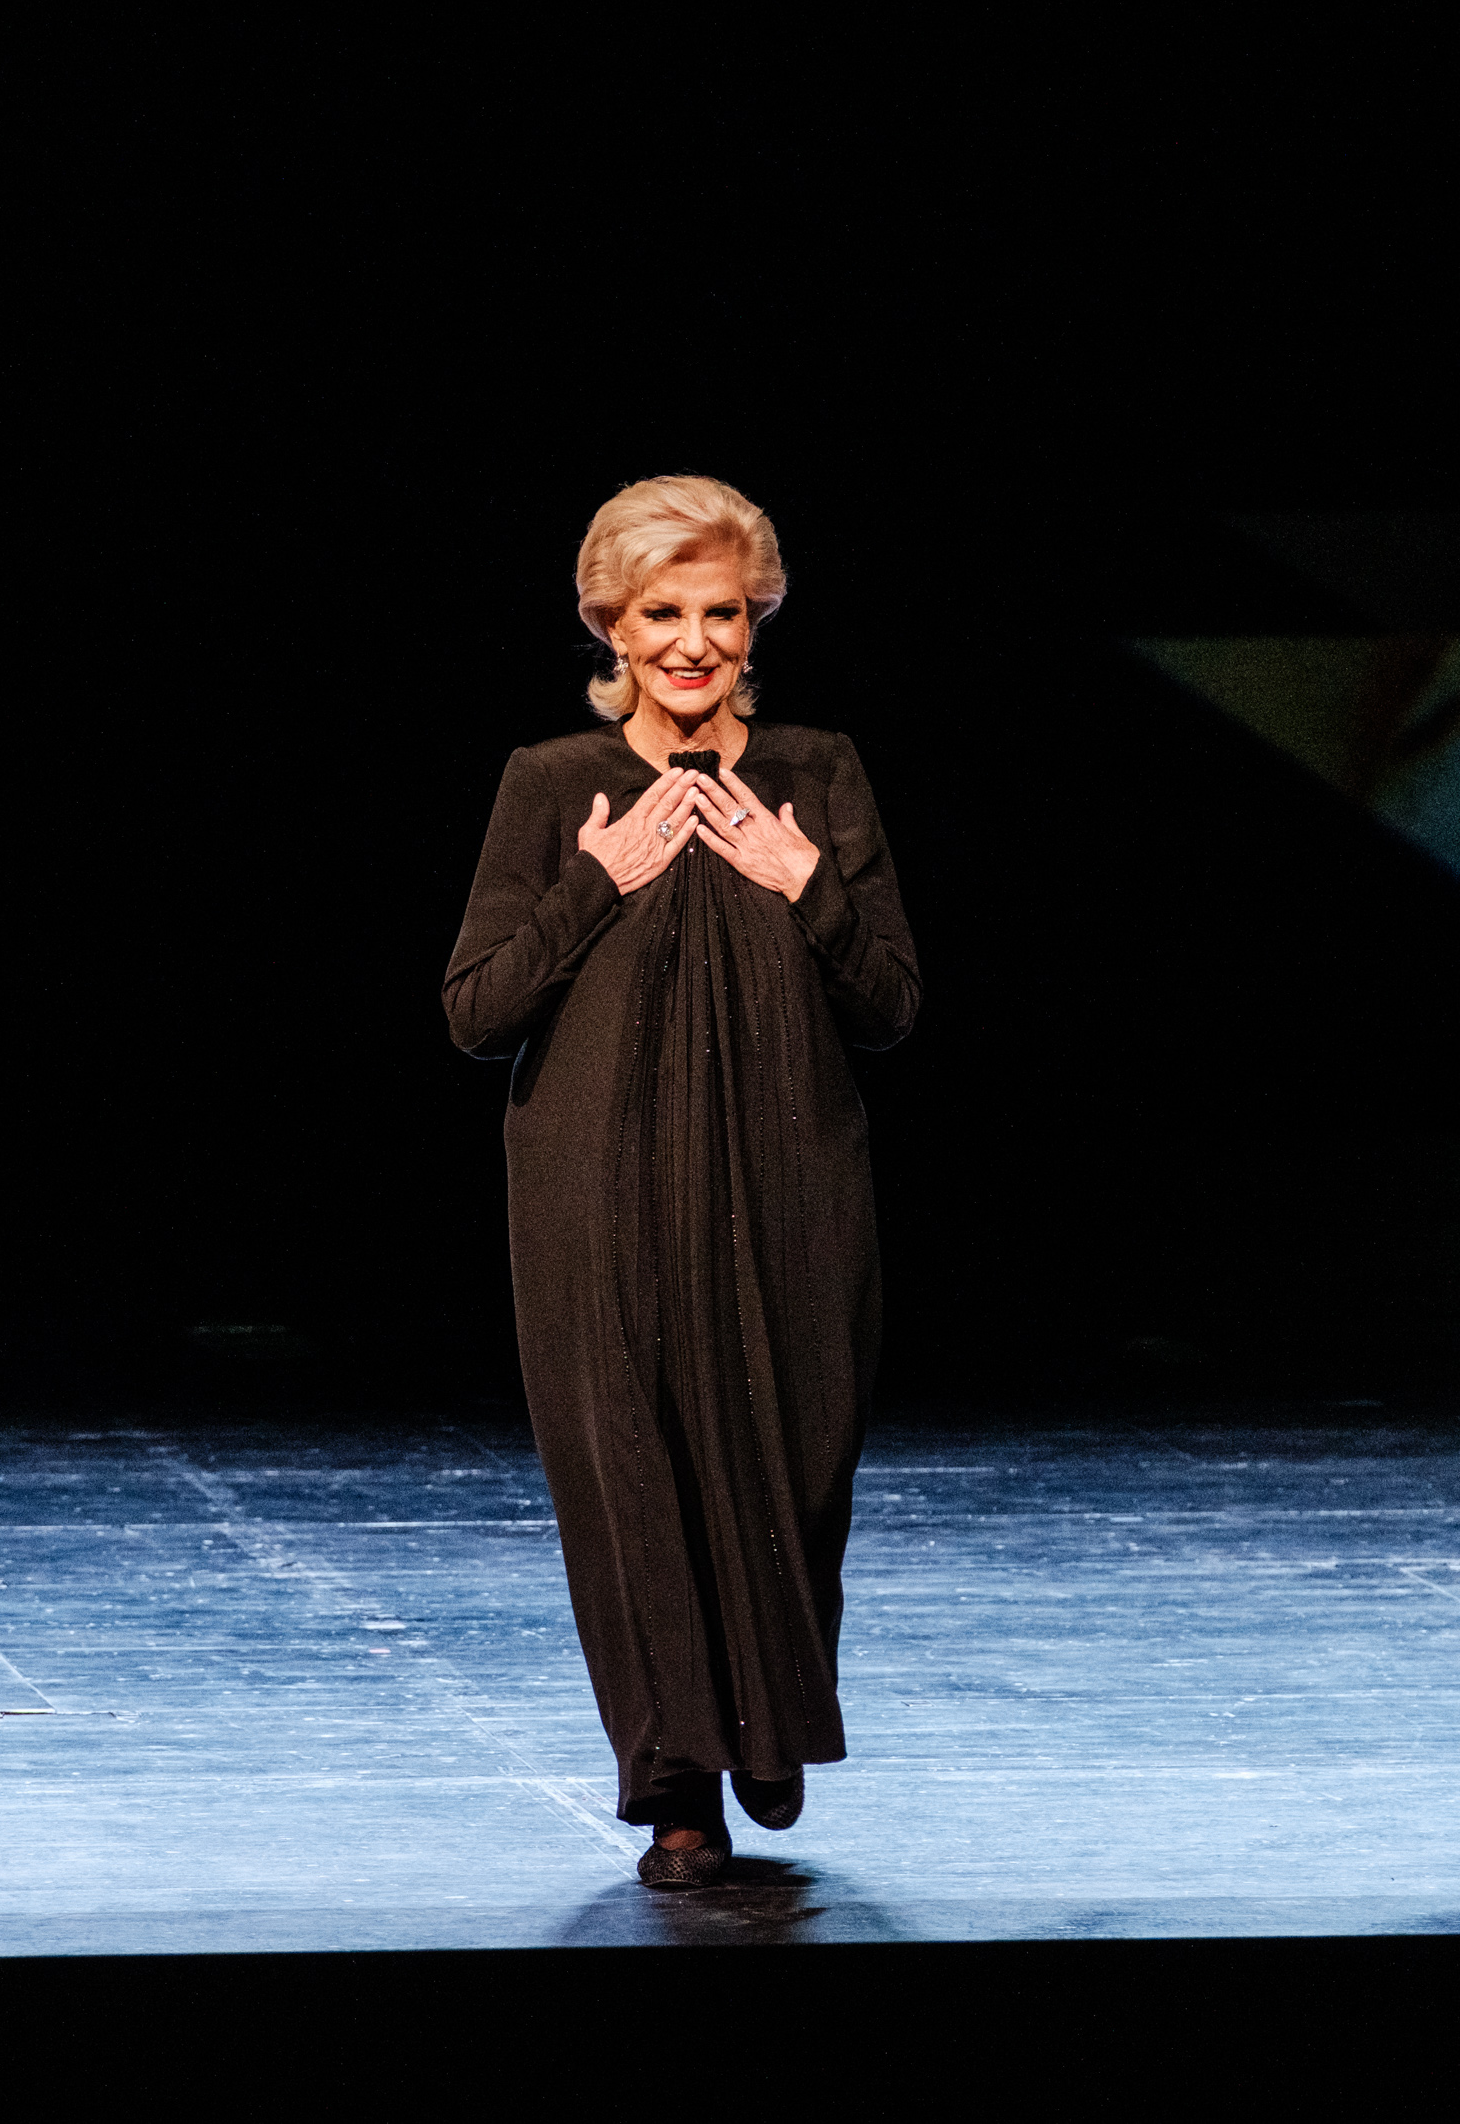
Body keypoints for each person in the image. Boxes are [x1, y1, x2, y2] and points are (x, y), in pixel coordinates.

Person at [442, 474, 921, 1890]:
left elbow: (893, 1004)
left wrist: (804, 881)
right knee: (635, 1480)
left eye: (722, 611)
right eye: (663, 613)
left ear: (756, 619)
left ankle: (767, 1720)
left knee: (797, 1460)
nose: (694, 643)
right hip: (600, 1197)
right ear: (613, 623)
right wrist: (593, 881)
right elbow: (474, 1011)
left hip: (792, 1186)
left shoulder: (818, 772)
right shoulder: (552, 784)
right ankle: (677, 1789)